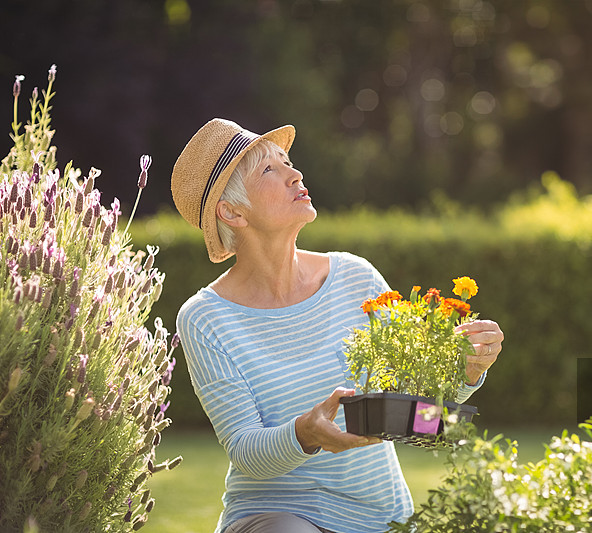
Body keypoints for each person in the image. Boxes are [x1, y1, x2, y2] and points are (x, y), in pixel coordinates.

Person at [171, 119, 504, 533]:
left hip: (381, 519)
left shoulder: (355, 278)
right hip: (274, 516)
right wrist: (304, 434)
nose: (295, 174)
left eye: (288, 161)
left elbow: (421, 417)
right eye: (270, 169)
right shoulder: (206, 317)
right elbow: (245, 450)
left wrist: (464, 372)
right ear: (232, 211)